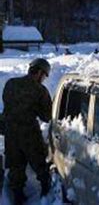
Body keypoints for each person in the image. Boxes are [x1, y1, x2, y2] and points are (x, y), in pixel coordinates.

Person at [2, 58, 52, 204]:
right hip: (29, 133)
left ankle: (17, 197)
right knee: (39, 163)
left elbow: (7, 104)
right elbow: (47, 116)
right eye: (44, 76)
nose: (43, 79)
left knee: (15, 166)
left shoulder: (10, 83)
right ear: (40, 73)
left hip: (10, 132)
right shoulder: (40, 91)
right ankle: (45, 192)